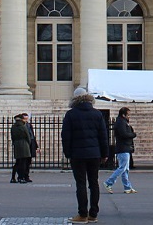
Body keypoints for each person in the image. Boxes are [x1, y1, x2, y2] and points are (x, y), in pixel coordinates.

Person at [61, 87, 110, 224]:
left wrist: (68, 152)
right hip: (94, 153)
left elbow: (66, 136)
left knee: (81, 184)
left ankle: (83, 214)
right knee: (94, 183)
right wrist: (105, 153)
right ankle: (93, 213)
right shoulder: (97, 114)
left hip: (77, 154)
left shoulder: (71, 114)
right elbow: (103, 136)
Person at [104, 106, 136, 194]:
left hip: (125, 147)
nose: (129, 116)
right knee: (122, 168)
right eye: (128, 115)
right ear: (123, 114)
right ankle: (108, 182)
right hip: (123, 148)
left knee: (125, 168)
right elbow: (124, 134)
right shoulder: (121, 122)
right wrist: (133, 134)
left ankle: (127, 187)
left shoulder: (123, 122)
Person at [11, 112, 37, 183]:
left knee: (18, 162)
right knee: (24, 162)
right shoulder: (23, 126)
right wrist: (29, 143)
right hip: (24, 145)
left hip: (17, 145)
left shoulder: (13, 126)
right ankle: (22, 177)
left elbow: (12, 137)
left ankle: (14, 177)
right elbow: (28, 136)